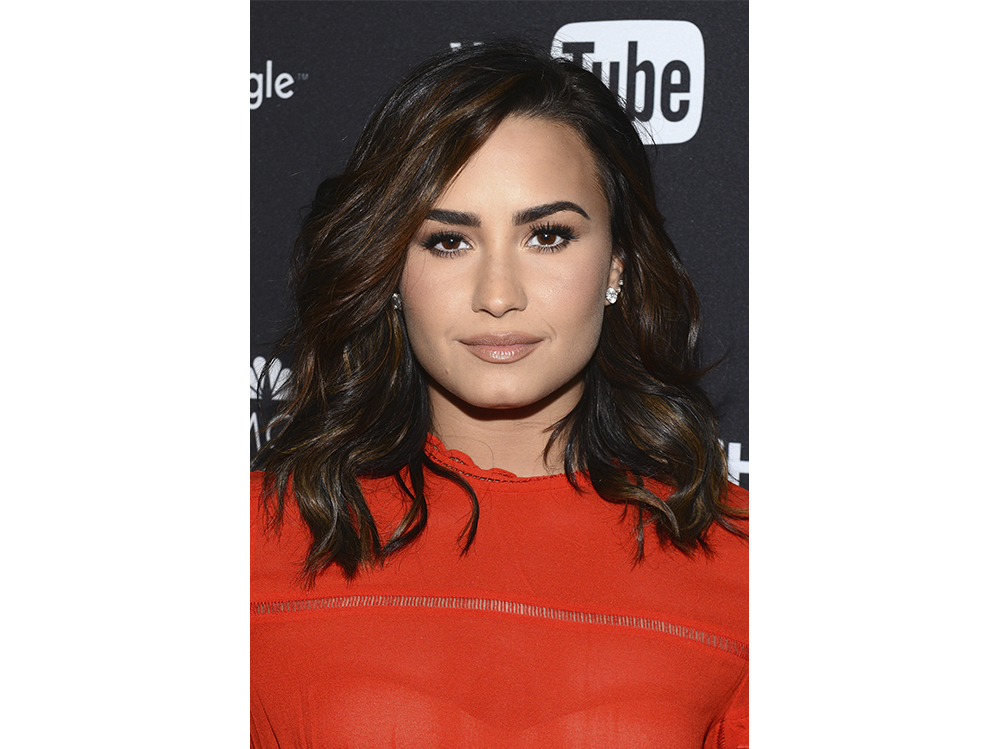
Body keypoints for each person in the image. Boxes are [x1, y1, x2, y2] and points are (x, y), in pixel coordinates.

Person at [252, 41, 748, 748]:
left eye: (547, 236)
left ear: (618, 263)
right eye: (448, 242)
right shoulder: (257, 542)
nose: (497, 295)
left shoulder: (741, 560)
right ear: (389, 269)